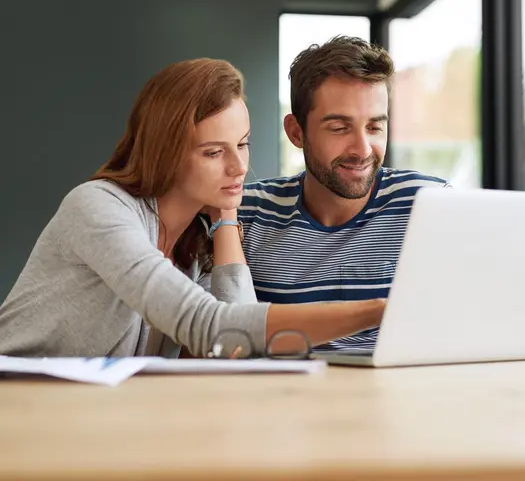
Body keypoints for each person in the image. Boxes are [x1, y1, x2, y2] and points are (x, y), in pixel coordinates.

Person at [0, 58, 385, 358]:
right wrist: (377, 311)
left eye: (243, 144)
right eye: (214, 152)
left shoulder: (193, 244)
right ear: (165, 154)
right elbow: (211, 325)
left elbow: (232, 346)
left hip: (94, 418)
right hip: (20, 405)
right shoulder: (98, 208)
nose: (239, 167)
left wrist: (227, 216)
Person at [239, 36, 451, 351]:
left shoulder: (430, 204)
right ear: (296, 132)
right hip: (287, 396)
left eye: (375, 128)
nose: (362, 150)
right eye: (340, 128)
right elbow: (226, 337)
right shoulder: (248, 212)